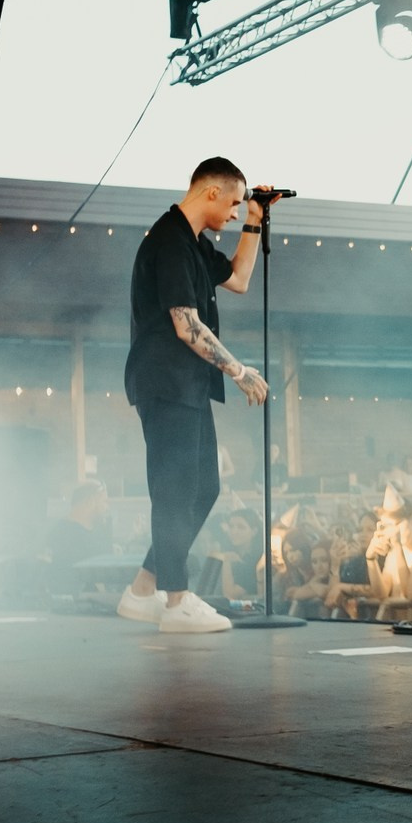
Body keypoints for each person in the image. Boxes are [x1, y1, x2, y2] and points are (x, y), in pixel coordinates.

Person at [115, 158, 275, 635]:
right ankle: (176, 600)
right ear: (211, 193)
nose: (234, 213)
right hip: (165, 383)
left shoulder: (195, 243)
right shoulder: (170, 241)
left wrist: (255, 219)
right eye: (234, 203)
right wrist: (238, 370)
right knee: (175, 491)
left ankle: (143, 589)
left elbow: (240, 279)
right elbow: (186, 326)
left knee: (204, 488)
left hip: (187, 386)